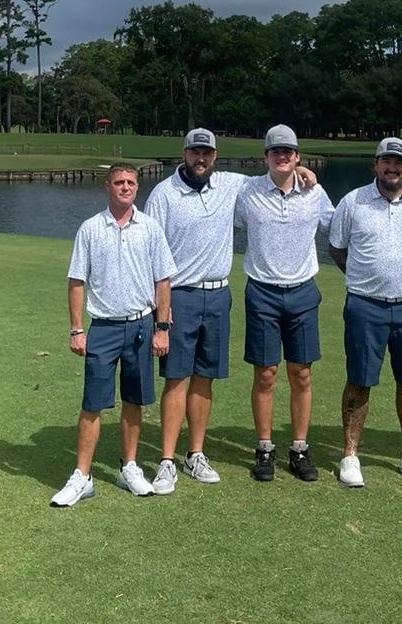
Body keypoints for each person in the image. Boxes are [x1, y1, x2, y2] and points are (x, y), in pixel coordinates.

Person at [141, 127, 317, 495]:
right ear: (184, 154)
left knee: (204, 378)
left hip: (219, 294)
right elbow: (150, 252)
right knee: (176, 378)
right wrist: (160, 310)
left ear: (215, 156)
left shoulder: (230, 185)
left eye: (206, 153)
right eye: (194, 152)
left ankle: (195, 453)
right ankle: (167, 460)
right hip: (180, 295)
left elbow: (273, 177)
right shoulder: (163, 194)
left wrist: (299, 171)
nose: (200, 158)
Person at [50, 163, 177, 507]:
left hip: (141, 326)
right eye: (119, 182)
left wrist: (162, 328)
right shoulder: (91, 228)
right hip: (103, 326)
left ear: (137, 187)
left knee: (134, 400)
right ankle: (82, 476)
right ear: (107, 186)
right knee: (92, 403)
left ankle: (129, 467)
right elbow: (77, 281)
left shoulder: (150, 228)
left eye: (131, 182)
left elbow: (163, 281)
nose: (125, 187)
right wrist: (77, 328)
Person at [327, 137, 402, 488]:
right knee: (359, 380)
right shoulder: (353, 201)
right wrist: (366, 278)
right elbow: (337, 249)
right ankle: (350, 455)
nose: (392, 168)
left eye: (398, 163)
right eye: (385, 161)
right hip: (365, 305)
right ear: (375, 164)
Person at [233, 124, 335, 482]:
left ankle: (299, 448)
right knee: (265, 373)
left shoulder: (314, 192)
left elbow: (339, 223)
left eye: (288, 152)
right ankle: (264, 448)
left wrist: (305, 174)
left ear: (297, 156)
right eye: (275, 151)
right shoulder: (247, 191)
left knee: (301, 373)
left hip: (303, 291)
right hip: (262, 291)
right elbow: (215, 190)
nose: (282, 156)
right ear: (265, 156)